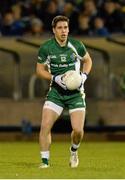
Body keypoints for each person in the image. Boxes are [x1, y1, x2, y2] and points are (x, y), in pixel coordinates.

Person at [36, 15, 92, 168]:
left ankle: (74, 151)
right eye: (60, 28)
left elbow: (88, 61)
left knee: (78, 131)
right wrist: (55, 78)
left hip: (76, 94)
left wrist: (84, 76)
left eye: (65, 28)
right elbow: (39, 70)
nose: (63, 31)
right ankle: (45, 162)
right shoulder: (46, 48)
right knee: (45, 125)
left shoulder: (77, 45)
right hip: (56, 92)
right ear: (54, 30)